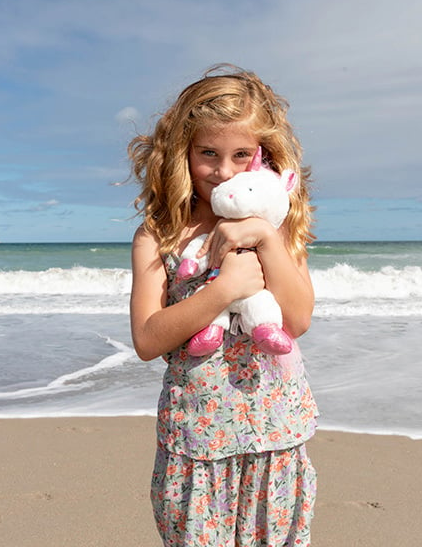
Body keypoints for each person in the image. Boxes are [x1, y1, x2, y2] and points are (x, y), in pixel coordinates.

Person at [128, 64, 319, 547]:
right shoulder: (160, 236)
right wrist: (222, 290)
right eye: (208, 154)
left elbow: (296, 320)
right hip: (197, 434)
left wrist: (265, 240)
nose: (224, 171)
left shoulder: (278, 225)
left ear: (267, 157)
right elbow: (148, 339)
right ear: (181, 154)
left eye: (241, 155)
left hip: (275, 430)